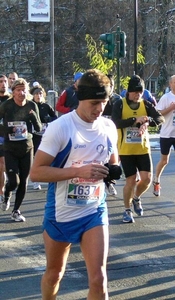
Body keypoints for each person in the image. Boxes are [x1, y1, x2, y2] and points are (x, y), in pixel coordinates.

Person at [29, 69, 121, 299]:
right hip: (62, 213)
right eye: (95, 103)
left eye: (104, 102)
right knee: (55, 273)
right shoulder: (61, 127)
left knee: (99, 279)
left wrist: (113, 172)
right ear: (81, 99)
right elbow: (36, 173)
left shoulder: (108, 127)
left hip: (94, 209)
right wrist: (79, 172)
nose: (100, 109)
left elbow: (113, 164)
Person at [112, 75, 164, 223]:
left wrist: (148, 121)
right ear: (129, 92)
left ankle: (136, 198)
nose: (138, 95)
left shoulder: (146, 105)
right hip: (126, 150)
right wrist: (134, 121)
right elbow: (115, 122)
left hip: (142, 149)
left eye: (140, 92)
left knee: (147, 179)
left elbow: (160, 118)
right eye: (135, 92)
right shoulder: (119, 104)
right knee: (131, 180)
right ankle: (127, 210)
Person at [0, 78, 42, 221]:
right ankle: (7, 192)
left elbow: (38, 128)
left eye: (24, 90)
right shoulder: (6, 106)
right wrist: (6, 130)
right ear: (13, 92)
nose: (21, 93)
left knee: (24, 181)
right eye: (18, 90)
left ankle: (16, 210)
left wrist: (34, 116)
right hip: (10, 148)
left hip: (27, 147)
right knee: (14, 182)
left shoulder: (31, 105)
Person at [30, 84, 57, 190]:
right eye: (36, 94)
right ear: (33, 95)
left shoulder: (46, 106)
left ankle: (49, 177)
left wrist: (49, 119)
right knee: (35, 156)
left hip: (45, 134)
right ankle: (35, 180)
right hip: (33, 134)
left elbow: (55, 117)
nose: (38, 95)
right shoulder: (30, 105)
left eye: (40, 93)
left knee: (47, 155)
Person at [102, 74, 122, 196]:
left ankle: (111, 181)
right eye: (108, 85)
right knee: (103, 157)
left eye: (112, 85)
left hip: (115, 132)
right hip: (101, 132)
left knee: (115, 159)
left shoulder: (118, 99)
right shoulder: (99, 98)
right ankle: (106, 181)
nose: (111, 88)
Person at [0, 75, 10, 203]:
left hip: (8, 137)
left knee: (3, 166)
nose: (3, 84)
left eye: (5, 81)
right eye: (1, 82)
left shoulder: (11, 100)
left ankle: (3, 190)